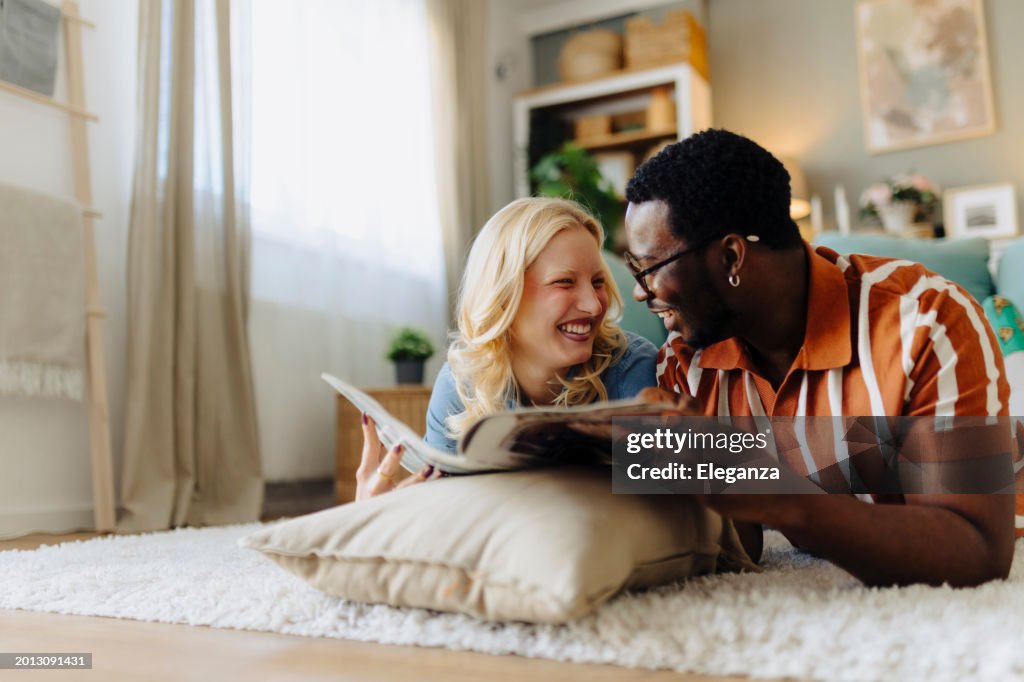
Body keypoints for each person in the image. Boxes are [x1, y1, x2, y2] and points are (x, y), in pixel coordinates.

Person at [621, 128, 1016, 587]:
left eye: (647, 268)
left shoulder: (925, 320)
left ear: (731, 257)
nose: (638, 291)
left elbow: (979, 551)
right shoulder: (686, 362)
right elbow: (735, 543)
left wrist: (781, 495)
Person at [356, 197, 660, 499]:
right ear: (504, 297)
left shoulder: (631, 368)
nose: (594, 305)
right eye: (565, 282)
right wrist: (380, 514)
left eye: (597, 282)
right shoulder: (461, 385)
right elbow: (443, 513)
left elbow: (683, 502)